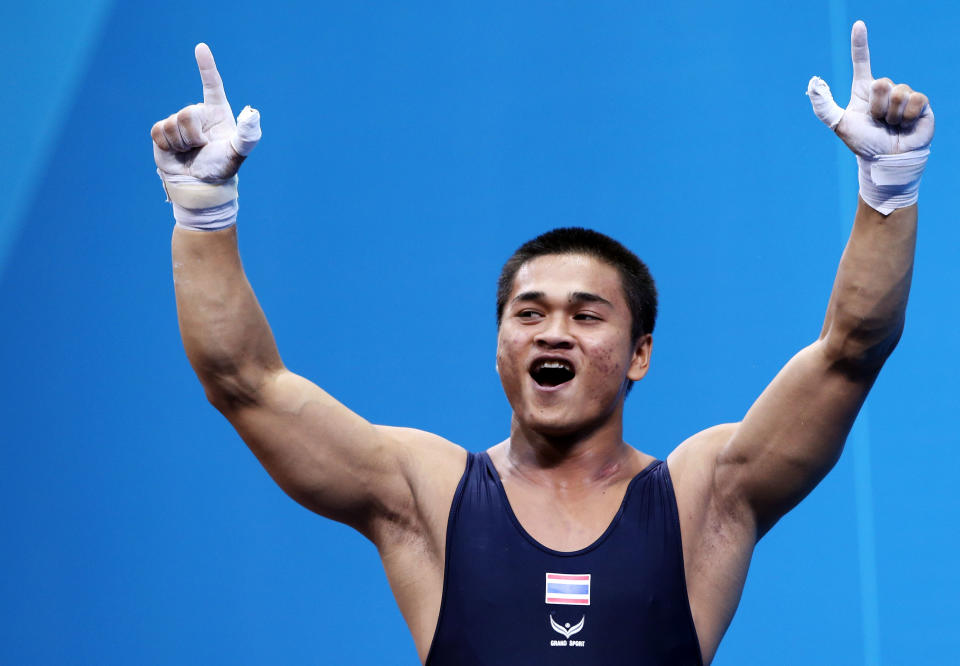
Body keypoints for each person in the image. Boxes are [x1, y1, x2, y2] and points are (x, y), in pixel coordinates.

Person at [151, 20, 933, 665]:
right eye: (528, 313)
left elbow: (851, 350)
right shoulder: (424, 494)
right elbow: (243, 381)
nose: (553, 329)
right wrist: (203, 213)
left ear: (640, 355)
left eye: (587, 315)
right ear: (498, 348)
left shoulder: (704, 499)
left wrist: (888, 193)